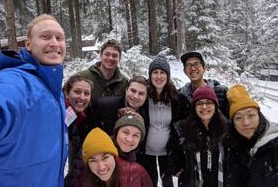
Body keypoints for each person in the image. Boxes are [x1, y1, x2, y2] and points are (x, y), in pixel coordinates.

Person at [0, 14, 68, 186]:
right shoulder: (17, 84)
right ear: (29, 44)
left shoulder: (53, 89)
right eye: (45, 37)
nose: (54, 43)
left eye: (59, 38)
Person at [137, 55, 183, 187]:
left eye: (162, 73)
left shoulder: (176, 98)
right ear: (150, 75)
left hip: (167, 151)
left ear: (167, 76)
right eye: (155, 72)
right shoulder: (143, 96)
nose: (158, 76)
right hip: (146, 151)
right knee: (149, 181)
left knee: (167, 181)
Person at [169, 86, 228, 187]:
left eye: (208, 102)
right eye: (199, 103)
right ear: (194, 108)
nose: (204, 107)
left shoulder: (227, 128)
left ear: (215, 105)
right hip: (192, 182)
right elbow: (172, 150)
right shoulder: (183, 128)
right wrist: (178, 169)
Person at [224, 84, 278, 187]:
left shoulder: (274, 146)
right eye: (238, 118)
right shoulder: (233, 147)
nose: (246, 122)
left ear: (259, 115)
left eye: (251, 115)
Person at [80, 127, 153, 187]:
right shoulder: (81, 180)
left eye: (105, 157)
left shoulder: (137, 173)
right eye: (93, 161)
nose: (101, 167)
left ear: (114, 157)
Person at [179, 51, 230, 118]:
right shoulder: (181, 96)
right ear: (184, 71)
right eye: (189, 65)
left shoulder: (221, 92)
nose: (193, 68)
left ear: (204, 68)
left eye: (196, 64)